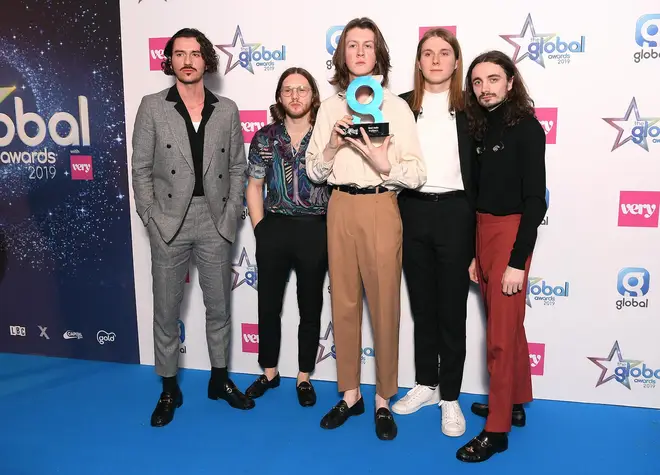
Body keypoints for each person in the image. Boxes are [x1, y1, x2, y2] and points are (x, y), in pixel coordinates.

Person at [306, 17, 427, 441]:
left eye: (368, 45)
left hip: (381, 204)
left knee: (385, 305)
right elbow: (315, 172)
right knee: (343, 303)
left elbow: (417, 173)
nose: (359, 52)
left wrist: (384, 164)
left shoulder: (396, 107)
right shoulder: (329, 107)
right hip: (340, 207)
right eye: (352, 45)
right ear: (342, 54)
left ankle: (383, 399)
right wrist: (333, 146)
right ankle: (351, 394)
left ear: (379, 54)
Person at [131, 27, 254, 428]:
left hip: (214, 220)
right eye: (179, 54)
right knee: (166, 311)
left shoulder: (227, 109)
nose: (187, 60)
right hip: (169, 219)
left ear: (206, 60)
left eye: (195, 53)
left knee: (219, 307)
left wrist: (232, 213)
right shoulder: (152, 106)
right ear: (170, 60)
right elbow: (140, 169)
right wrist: (151, 218)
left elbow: (238, 166)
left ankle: (219, 380)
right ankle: (169, 388)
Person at [455, 50, 547, 462]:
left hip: (511, 234)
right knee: (508, 327)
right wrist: (478, 253)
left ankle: (497, 430)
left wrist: (516, 261)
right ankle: (513, 402)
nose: (485, 88)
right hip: (483, 232)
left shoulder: (527, 128)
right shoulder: (479, 127)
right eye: (477, 82)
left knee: (499, 339)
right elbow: (481, 196)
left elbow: (535, 202)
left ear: (510, 82)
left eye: (493, 79)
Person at [392, 27, 476, 438]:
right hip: (412, 210)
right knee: (422, 306)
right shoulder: (402, 106)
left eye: (445, 53)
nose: (437, 60)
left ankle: (450, 397)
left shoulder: (472, 108)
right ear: (419, 62)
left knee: (452, 311)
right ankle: (425, 383)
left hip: (457, 213)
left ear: (456, 61)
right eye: (429, 53)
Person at [244, 67, 329, 407]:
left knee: (310, 305)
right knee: (268, 305)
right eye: (288, 90)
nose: (295, 96)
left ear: (313, 96)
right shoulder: (264, 137)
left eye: (303, 89)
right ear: (280, 97)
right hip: (275, 226)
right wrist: (260, 229)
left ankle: (305, 376)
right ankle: (269, 372)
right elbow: (254, 185)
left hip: (315, 228)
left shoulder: (326, 136)